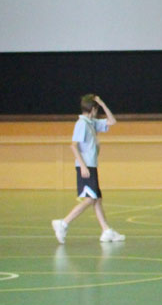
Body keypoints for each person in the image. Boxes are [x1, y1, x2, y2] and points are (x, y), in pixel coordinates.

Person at [51, 93, 124, 244]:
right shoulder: (82, 124)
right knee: (90, 199)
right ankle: (63, 223)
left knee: (97, 199)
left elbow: (112, 121)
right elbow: (73, 145)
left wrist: (102, 103)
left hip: (91, 165)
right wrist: (83, 166)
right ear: (93, 109)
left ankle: (106, 231)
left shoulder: (92, 123)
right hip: (86, 167)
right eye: (97, 108)